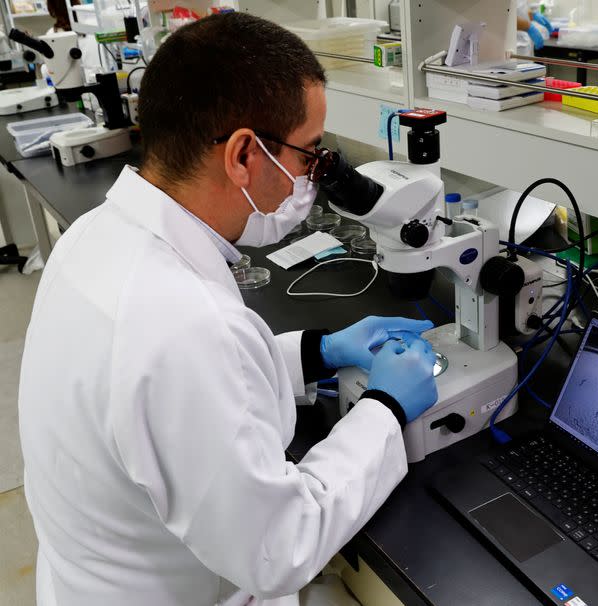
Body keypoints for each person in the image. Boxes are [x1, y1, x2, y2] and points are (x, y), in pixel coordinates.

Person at [18, 12, 439, 606]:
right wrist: (386, 408)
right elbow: (281, 546)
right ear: (243, 155)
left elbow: (180, 402)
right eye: (309, 156)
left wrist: (319, 351)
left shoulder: (95, 236)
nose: (313, 178)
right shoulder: (184, 326)